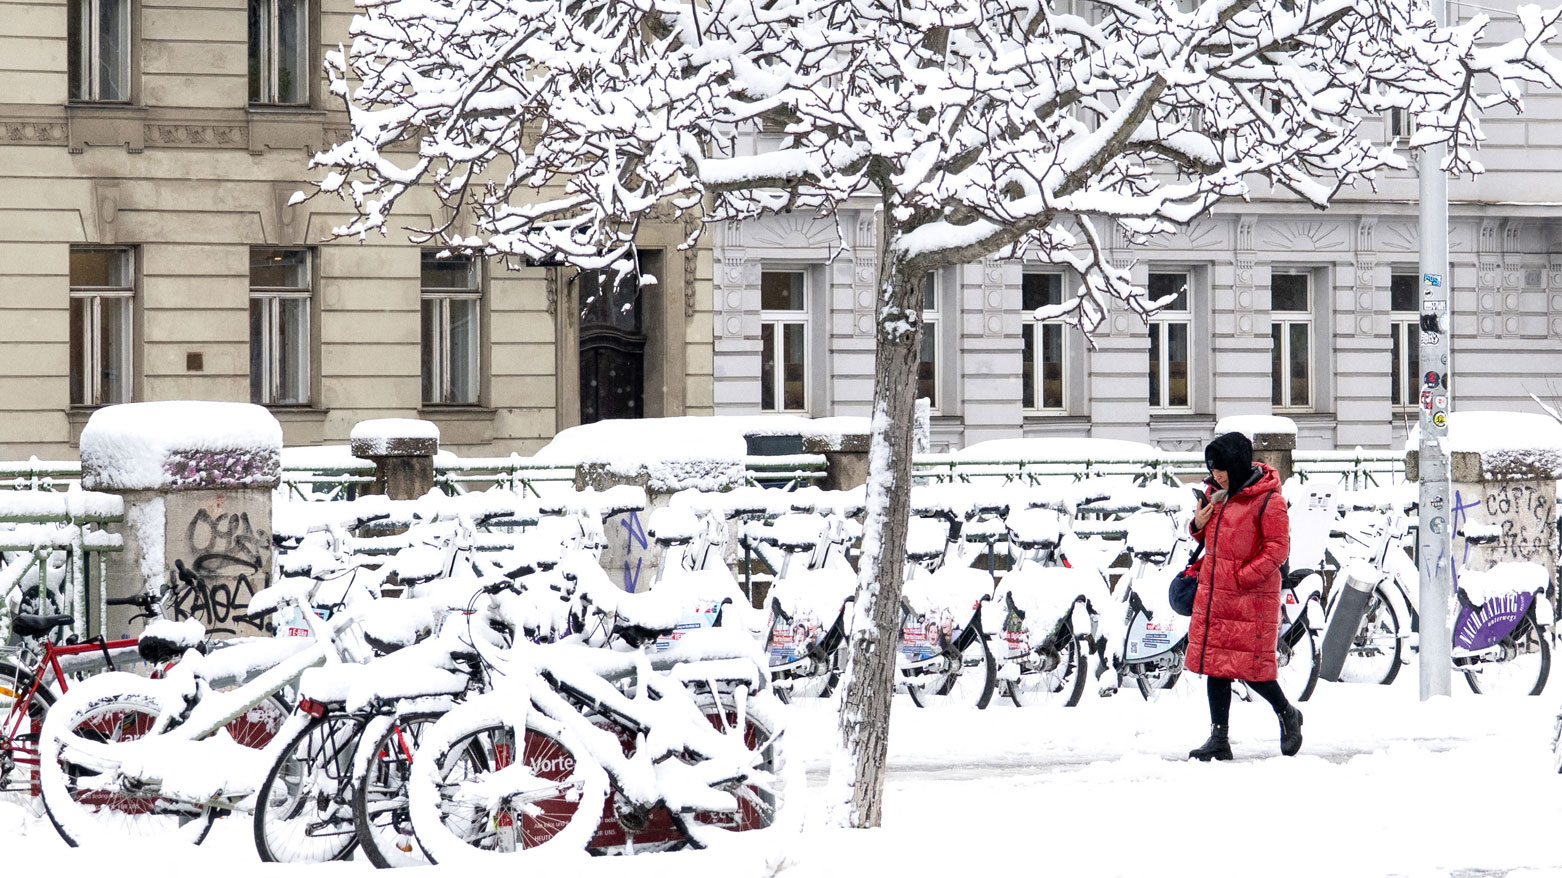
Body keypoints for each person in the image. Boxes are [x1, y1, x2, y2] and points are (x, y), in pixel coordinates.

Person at [1185, 431, 1303, 760]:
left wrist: (1242, 577)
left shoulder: (1268, 500)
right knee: (1216, 665)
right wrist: (1197, 522)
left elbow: (1277, 550)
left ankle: (1287, 714)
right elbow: (1202, 536)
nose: (1216, 474)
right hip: (1216, 593)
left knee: (1252, 668)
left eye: (1221, 468)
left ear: (1236, 464)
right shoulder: (1216, 493)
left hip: (1251, 596)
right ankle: (1218, 739)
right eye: (1212, 468)